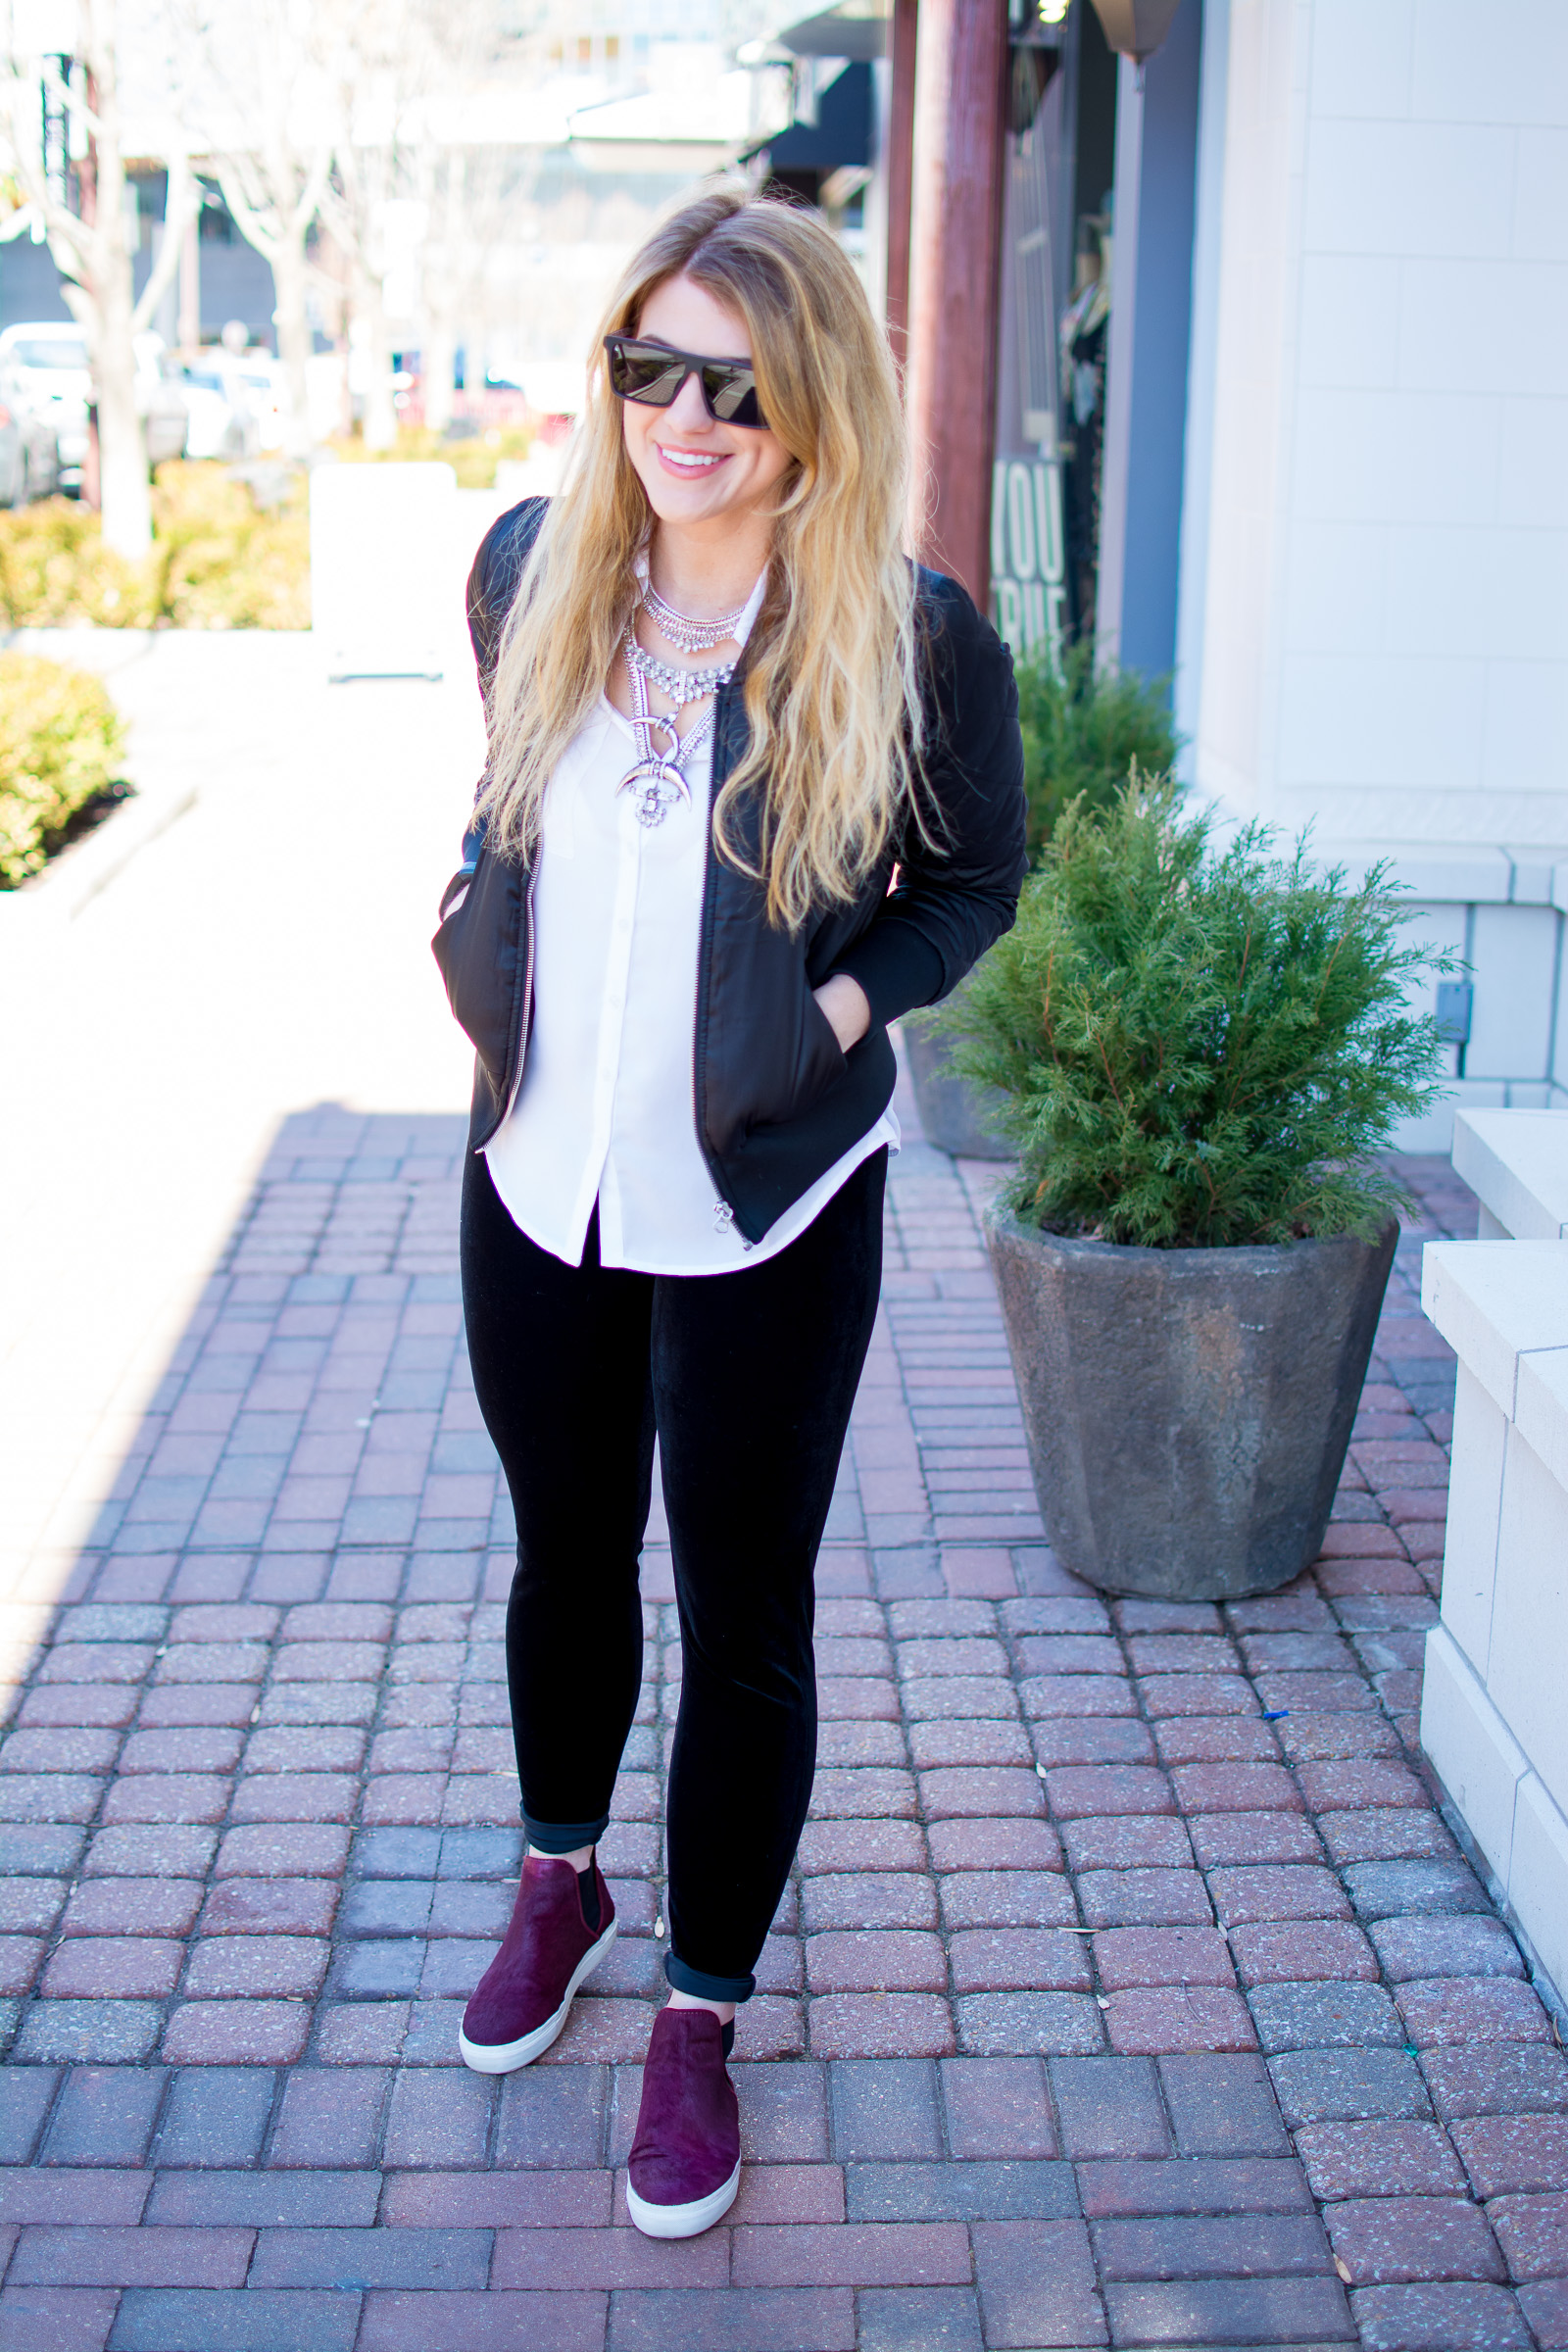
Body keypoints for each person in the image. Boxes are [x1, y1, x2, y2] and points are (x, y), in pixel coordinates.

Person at [432, 184, 1026, 2239]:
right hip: (536, 1171)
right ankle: (557, 1873)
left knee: (741, 1616)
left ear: (809, 405)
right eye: (646, 367)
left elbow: (969, 882)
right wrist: (464, 931)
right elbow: (502, 805)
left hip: (763, 1194)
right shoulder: (530, 568)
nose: (684, 416)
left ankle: (698, 2010)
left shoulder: (903, 626)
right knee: (561, 1555)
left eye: (734, 382)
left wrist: (838, 1009)